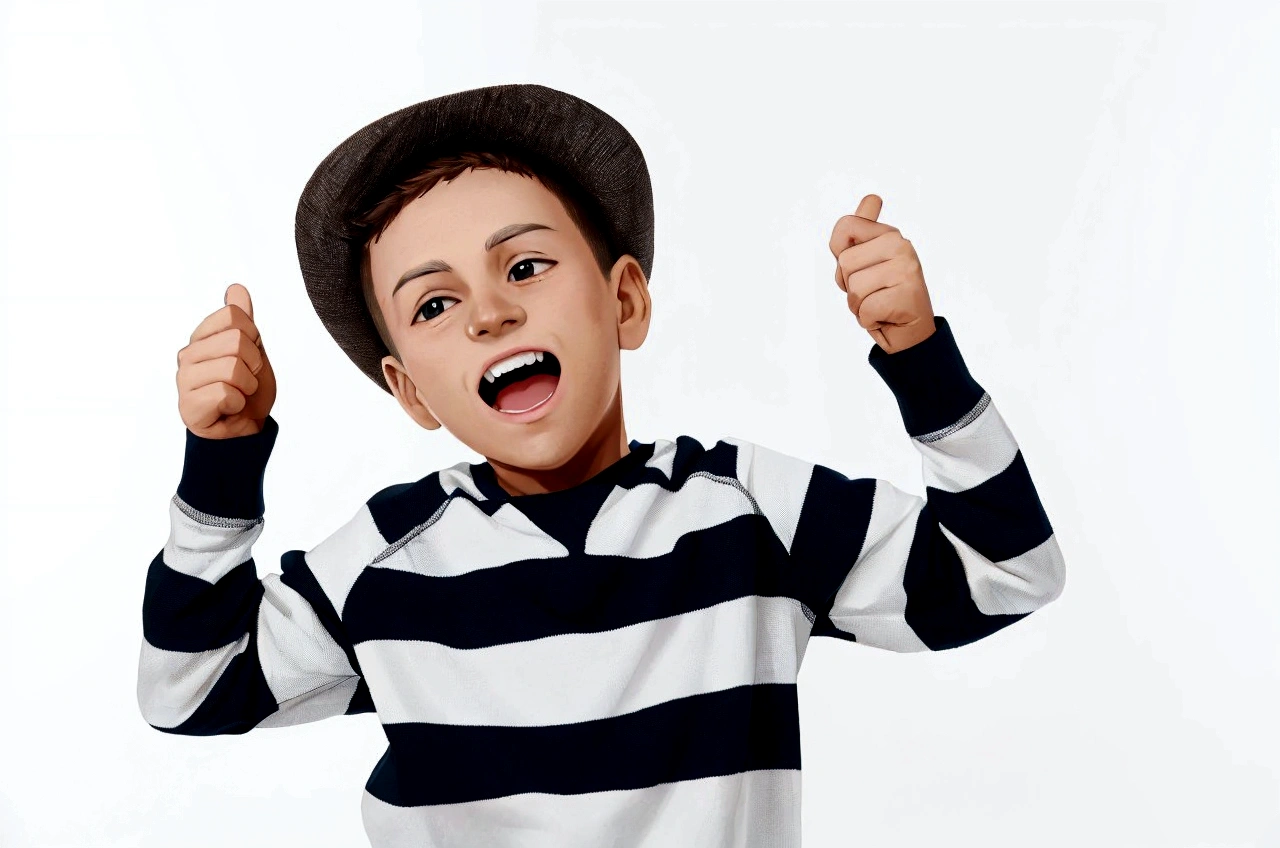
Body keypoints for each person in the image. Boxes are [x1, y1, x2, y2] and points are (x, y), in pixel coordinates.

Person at [138, 83, 1066, 847]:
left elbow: (1006, 574)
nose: (488, 315)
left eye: (526, 267)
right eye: (432, 306)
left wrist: (919, 358)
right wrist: (221, 462)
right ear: (410, 391)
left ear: (624, 300)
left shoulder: (748, 514)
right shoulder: (388, 563)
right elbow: (188, 690)